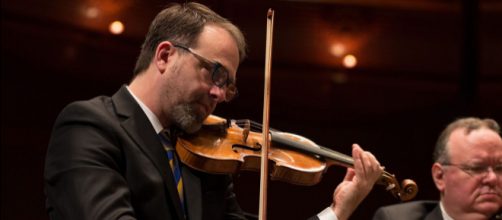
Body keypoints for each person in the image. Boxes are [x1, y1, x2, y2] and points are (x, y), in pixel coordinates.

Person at [44, 2, 383, 220]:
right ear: (164, 56)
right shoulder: (90, 126)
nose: (220, 94)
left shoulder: (201, 154)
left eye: (229, 84)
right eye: (214, 72)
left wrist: (338, 211)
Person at [372, 117, 502, 220]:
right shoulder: (395, 218)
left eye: (500, 168)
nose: (492, 178)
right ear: (440, 176)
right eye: (477, 168)